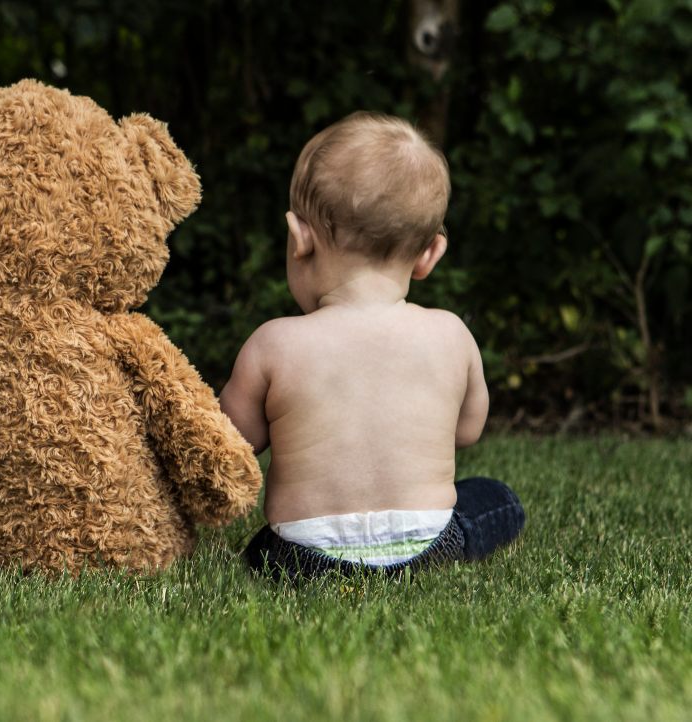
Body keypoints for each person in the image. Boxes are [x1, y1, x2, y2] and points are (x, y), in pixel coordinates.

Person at [219, 112, 525, 582]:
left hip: (302, 556)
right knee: (497, 499)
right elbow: (467, 431)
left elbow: (231, 443)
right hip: (426, 548)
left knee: (262, 549)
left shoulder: (273, 343)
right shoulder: (450, 334)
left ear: (299, 239)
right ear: (429, 255)